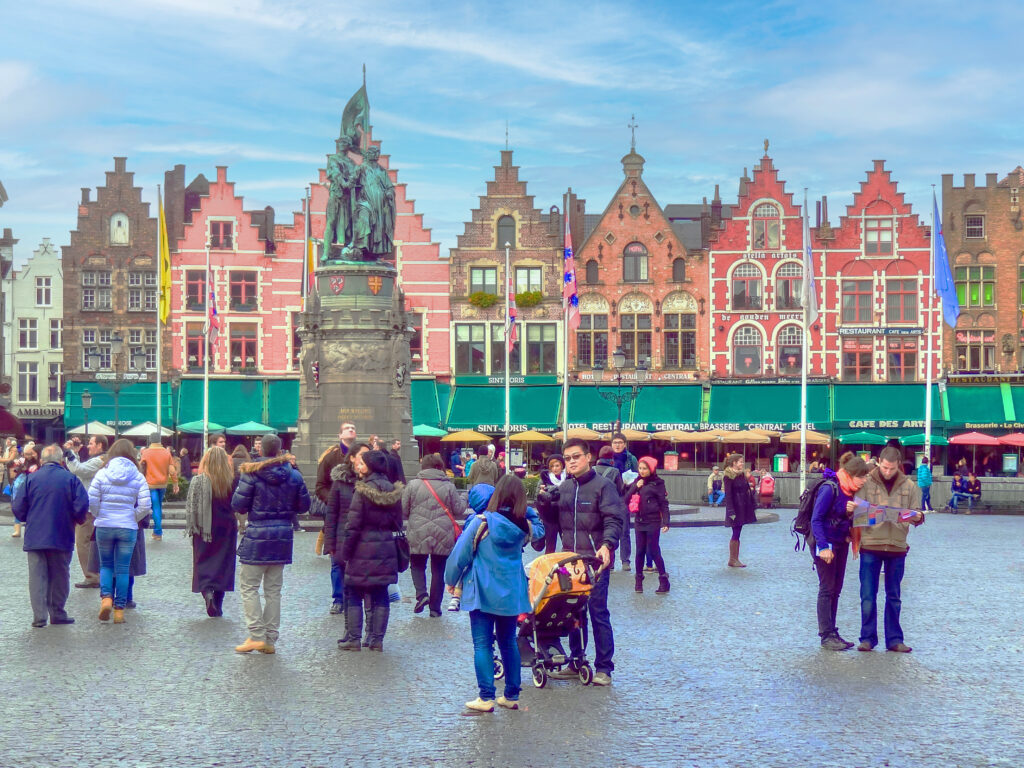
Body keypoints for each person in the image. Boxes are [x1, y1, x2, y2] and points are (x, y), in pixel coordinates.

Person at [445, 474, 542, 712]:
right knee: (509, 642)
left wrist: (451, 581)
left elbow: (460, 555)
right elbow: (540, 530)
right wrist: (527, 511)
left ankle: (486, 697)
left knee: (483, 644)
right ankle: (511, 695)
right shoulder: (525, 526)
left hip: (482, 591)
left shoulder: (482, 522)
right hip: (511, 591)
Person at [552, 437, 624, 686]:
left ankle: (604, 668)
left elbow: (615, 519)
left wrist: (607, 545)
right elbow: (554, 522)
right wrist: (543, 505)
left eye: (576, 457)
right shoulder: (564, 488)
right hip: (570, 561)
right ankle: (576, 661)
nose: (571, 462)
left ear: (588, 457)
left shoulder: (604, 486)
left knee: (598, 613)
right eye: (567, 458)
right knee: (572, 614)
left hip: (595, 562)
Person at [232, 433, 311, 654]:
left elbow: (238, 504)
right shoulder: (294, 475)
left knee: (249, 587)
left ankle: (256, 635)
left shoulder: (251, 474)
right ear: (279, 451)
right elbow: (305, 505)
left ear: (260, 450)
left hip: (257, 533)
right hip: (283, 535)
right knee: (274, 591)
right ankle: (270, 638)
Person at [855, 446, 925, 653]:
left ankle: (894, 640)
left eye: (892, 469)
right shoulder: (866, 482)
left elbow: (917, 514)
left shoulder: (909, 485)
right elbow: (857, 513)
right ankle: (867, 638)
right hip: (870, 544)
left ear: (898, 466)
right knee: (868, 595)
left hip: (897, 546)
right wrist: (876, 514)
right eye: (885, 467)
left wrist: (918, 517)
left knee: (894, 596)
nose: (887, 472)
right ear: (879, 463)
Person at [12, 444, 90, 627]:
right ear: (61, 460)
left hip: (35, 536)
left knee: (37, 576)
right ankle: (57, 612)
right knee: (60, 575)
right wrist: (75, 519)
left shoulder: (30, 479)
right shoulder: (70, 479)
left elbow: (17, 506)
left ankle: (39, 616)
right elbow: (82, 504)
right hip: (61, 534)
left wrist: (27, 518)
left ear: (41, 460)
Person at [338, 449, 404, 652]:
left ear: (371, 467)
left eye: (363, 464)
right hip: (386, 547)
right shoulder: (393, 490)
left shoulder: (362, 490)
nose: (359, 467)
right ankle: (376, 639)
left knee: (354, 592)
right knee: (381, 593)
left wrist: (345, 552)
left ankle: (354, 638)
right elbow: (398, 523)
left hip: (362, 548)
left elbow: (353, 524)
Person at [89, 438, 152, 624]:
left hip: (105, 525)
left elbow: (91, 499)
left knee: (106, 565)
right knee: (123, 569)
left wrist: (98, 514)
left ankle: (106, 598)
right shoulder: (138, 475)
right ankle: (119, 611)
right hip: (127, 527)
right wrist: (134, 517)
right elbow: (146, 505)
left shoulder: (102, 473)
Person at [811, 454, 870, 651]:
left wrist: (849, 514)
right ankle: (825, 635)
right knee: (827, 588)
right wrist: (824, 547)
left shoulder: (849, 491)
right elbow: (816, 519)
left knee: (836, 589)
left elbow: (839, 517)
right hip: (825, 544)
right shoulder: (831, 488)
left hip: (840, 543)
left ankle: (832, 632)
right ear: (852, 475)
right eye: (862, 477)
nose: (865, 480)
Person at [402, 453, 466, 617]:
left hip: (418, 530)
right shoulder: (449, 486)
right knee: (438, 570)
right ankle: (435, 608)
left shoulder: (413, 484)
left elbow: (403, 510)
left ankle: (422, 595)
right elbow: (459, 510)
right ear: (440, 467)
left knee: (416, 564)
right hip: (443, 532)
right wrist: (465, 498)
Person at [185, 446, 239, 618]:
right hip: (226, 526)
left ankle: (207, 592)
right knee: (224, 563)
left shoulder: (198, 480)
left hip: (203, 526)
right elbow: (238, 504)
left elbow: (191, 506)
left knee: (202, 560)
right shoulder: (232, 480)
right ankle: (219, 602)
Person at [325, 443, 370, 646]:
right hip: (344, 541)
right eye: (362, 455)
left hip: (367, 543)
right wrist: (330, 544)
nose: (365, 459)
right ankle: (350, 632)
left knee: (369, 589)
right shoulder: (340, 482)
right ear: (352, 458)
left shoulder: (374, 482)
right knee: (348, 588)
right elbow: (332, 514)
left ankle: (371, 633)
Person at [316, 422, 357, 614]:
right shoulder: (330, 456)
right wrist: (333, 500)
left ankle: (356, 597)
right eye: (347, 428)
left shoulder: (362, 455)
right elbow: (320, 485)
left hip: (358, 514)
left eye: (354, 428)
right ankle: (338, 599)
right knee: (336, 560)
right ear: (340, 434)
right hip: (337, 515)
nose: (351, 430)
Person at [64, 434, 108, 588]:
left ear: (100, 445)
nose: (88, 446)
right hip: (94, 506)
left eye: (91, 443)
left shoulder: (99, 460)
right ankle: (96, 574)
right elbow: (78, 469)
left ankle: (92, 576)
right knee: (91, 542)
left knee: (82, 542)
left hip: (89, 508)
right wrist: (74, 453)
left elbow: (79, 470)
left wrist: (69, 453)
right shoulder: (101, 460)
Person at [623, 456, 670, 594]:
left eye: (645, 468)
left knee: (654, 550)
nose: (642, 471)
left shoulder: (658, 483)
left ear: (651, 469)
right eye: (640, 468)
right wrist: (634, 487)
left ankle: (663, 579)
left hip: (653, 521)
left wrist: (666, 521)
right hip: (639, 520)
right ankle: (638, 580)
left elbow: (663, 503)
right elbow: (625, 499)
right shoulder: (637, 481)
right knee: (639, 552)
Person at [446, 483, 495, 612]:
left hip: (478, 574)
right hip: (507, 587)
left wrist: (450, 580)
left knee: (468, 569)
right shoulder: (507, 519)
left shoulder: (475, 520)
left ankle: (457, 596)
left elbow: (460, 555)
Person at [593, 446, 628, 569]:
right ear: (611, 458)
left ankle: (596, 558)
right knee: (610, 532)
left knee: (597, 533)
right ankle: (611, 562)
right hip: (609, 505)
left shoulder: (592, 469)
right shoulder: (614, 471)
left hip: (594, 507)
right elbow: (619, 490)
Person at [140, 433, 178, 542]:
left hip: (150, 484)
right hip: (163, 484)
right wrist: (175, 484)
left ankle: (158, 531)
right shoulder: (167, 452)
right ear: (160, 440)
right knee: (158, 506)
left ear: (150, 440)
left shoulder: (146, 453)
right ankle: (157, 531)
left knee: (155, 507)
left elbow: (140, 467)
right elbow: (172, 470)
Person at [722, 453, 756, 567]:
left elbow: (746, 490)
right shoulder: (728, 476)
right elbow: (728, 495)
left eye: (742, 461)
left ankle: (735, 559)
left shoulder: (741, 475)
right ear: (734, 463)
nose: (742, 463)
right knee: (735, 532)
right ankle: (732, 559)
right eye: (740, 461)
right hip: (735, 508)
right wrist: (731, 511)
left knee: (738, 532)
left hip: (743, 507)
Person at [536, 454, 566, 555]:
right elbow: (537, 499)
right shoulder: (544, 480)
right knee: (550, 546)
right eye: (552, 466)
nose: (555, 468)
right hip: (549, 517)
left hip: (564, 515)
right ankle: (549, 568)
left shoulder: (568, 479)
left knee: (568, 545)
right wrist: (541, 495)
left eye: (557, 465)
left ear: (562, 466)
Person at [10, 442, 39, 538]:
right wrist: (17, 465)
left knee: (31, 508)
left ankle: (30, 530)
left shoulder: (37, 461)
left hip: (31, 486)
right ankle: (17, 530)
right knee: (18, 505)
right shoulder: (22, 460)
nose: (27, 456)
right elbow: (13, 469)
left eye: (29, 454)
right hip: (19, 486)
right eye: (25, 453)